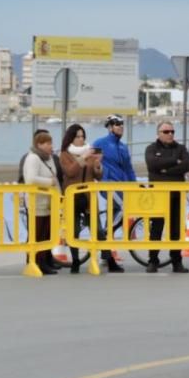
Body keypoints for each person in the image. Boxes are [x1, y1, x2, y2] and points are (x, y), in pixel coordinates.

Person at [143, 121, 189, 273]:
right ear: (158, 133)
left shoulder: (180, 148)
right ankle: (153, 260)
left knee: (175, 230)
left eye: (172, 131)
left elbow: (186, 165)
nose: (170, 134)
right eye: (166, 131)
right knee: (156, 229)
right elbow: (152, 164)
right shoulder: (151, 148)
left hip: (176, 194)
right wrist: (174, 162)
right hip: (158, 195)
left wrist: (164, 170)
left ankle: (177, 261)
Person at [92, 114, 136, 272]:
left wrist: (135, 186)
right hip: (107, 185)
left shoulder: (123, 147)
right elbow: (92, 162)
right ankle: (103, 234)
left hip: (122, 186)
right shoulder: (100, 143)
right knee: (124, 208)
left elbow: (129, 169)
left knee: (115, 215)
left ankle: (105, 254)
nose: (120, 127)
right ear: (110, 127)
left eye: (122, 124)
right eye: (117, 124)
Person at [59, 123, 102, 274]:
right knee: (74, 230)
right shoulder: (65, 154)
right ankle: (75, 261)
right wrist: (83, 158)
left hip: (89, 196)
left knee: (98, 229)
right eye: (77, 136)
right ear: (71, 138)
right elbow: (70, 172)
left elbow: (98, 176)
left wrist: (97, 164)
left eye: (83, 136)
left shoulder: (89, 152)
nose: (81, 139)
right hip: (73, 197)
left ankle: (105, 258)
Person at [22, 130, 62, 275]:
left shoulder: (48, 158)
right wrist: (50, 182)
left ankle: (44, 260)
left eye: (51, 143)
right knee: (36, 233)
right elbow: (31, 179)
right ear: (39, 144)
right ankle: (34, 260)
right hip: (36, 202)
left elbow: (54, 175)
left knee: (46, 233)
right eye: (48, 143)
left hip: (48, 202)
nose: (51, 146)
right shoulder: (33, 158)